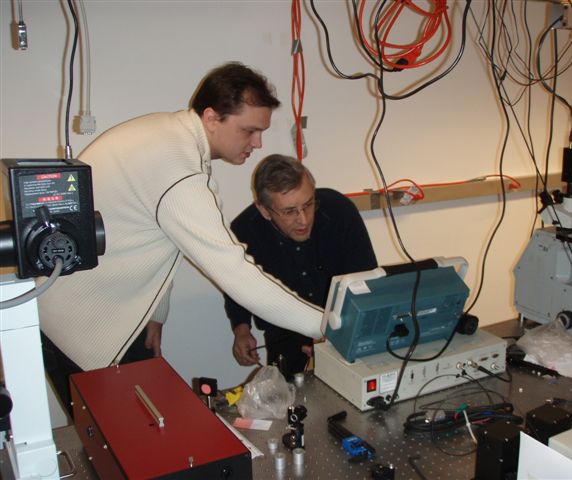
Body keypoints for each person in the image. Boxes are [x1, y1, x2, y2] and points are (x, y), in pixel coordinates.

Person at [37, 63, 324, 411]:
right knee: (121, 447)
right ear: (212, 117)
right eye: (249, 131)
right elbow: (237, 274)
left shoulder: (170, 136)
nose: (258, 143)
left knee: (141, 437)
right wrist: (324, 324)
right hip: (83, 326)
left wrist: (156, 313)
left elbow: (156, 231)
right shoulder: (179, 169)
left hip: (110, 314)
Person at [224, 154, 377, 378]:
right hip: (286, 340)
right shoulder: (243, 231)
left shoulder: (339, 210)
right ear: (264, 210)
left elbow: (366, 278)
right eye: (289, 211)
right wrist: (241, 328)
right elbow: (235, 284)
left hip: (347, 331)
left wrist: (339, 335)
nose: (304, 220)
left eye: (308, 204)